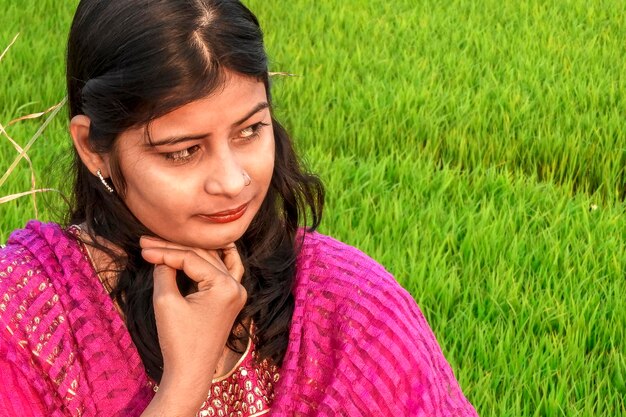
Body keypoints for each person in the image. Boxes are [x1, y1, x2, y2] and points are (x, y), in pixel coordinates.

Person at [0, 1, 479, 416]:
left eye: (249, 130)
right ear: (93, 148)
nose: (233, 182)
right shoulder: (22, 323)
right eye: (182, 151)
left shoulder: (351, 304)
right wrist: (182, 388)